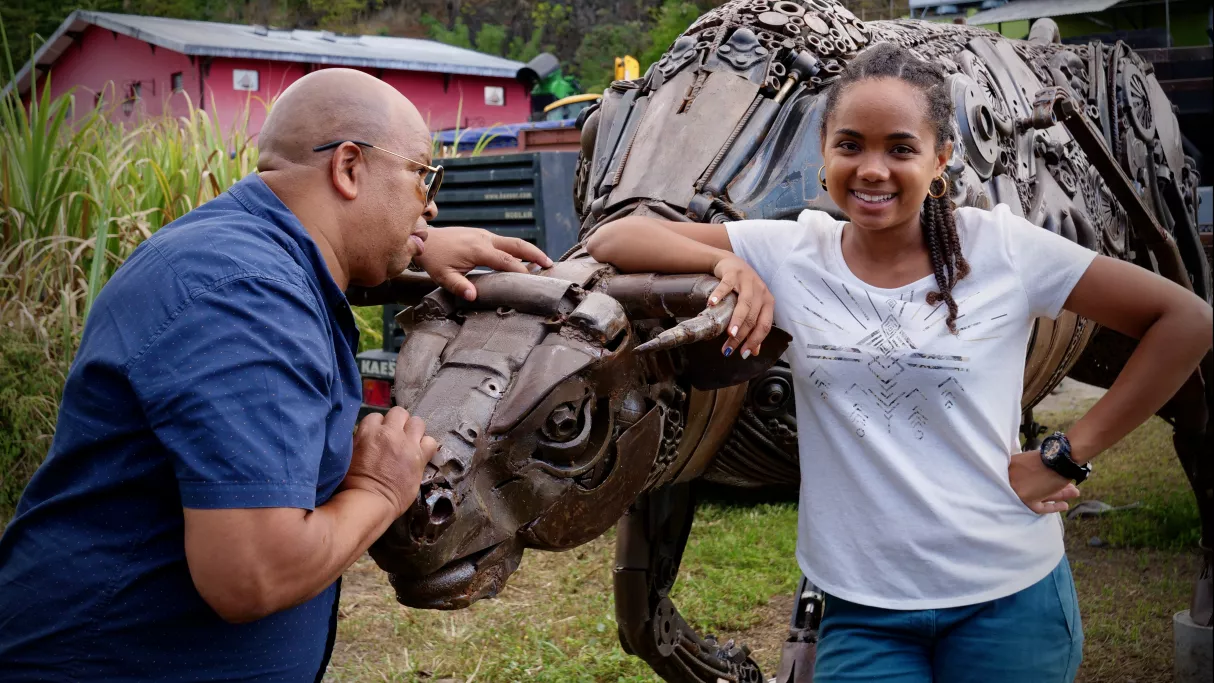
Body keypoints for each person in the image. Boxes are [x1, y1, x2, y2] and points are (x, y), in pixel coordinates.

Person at [587, 43, 1213, 682]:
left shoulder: (1000, 248)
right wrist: (725, 261)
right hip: (862, 608)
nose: (872, 169)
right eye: (851, 145)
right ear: (824, 152)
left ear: (941, 158)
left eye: (901, 148)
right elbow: (612, 238)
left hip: (1007, 596)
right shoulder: (794, 249)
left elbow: (1186, 320)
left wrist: (1066, 455)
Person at [0, 68, 551, 681]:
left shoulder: (239, 251)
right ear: (348, 167)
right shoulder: (246, 298)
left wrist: (416, 247)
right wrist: (378, 489)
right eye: (423, 175)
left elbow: (313, 270)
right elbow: (253, 573)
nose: (432, 202)